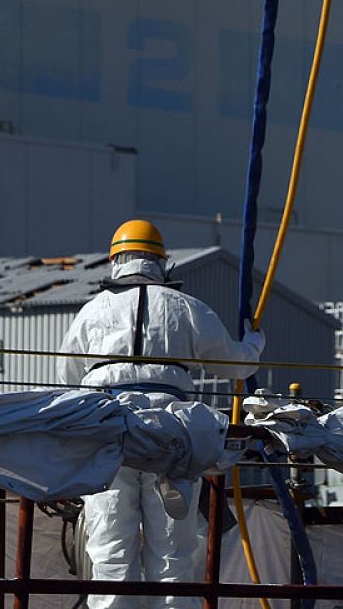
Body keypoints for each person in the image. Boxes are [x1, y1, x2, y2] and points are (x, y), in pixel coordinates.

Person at [57, 219, 266, 609]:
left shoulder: (92, 311)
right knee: (173, 553)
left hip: (109, 434)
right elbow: (236, 365)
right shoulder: (185, 308)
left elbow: (68, 377)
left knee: (110, 550)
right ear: (161, 263)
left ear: (115, 261)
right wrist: (253, 343)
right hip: (171, 435)